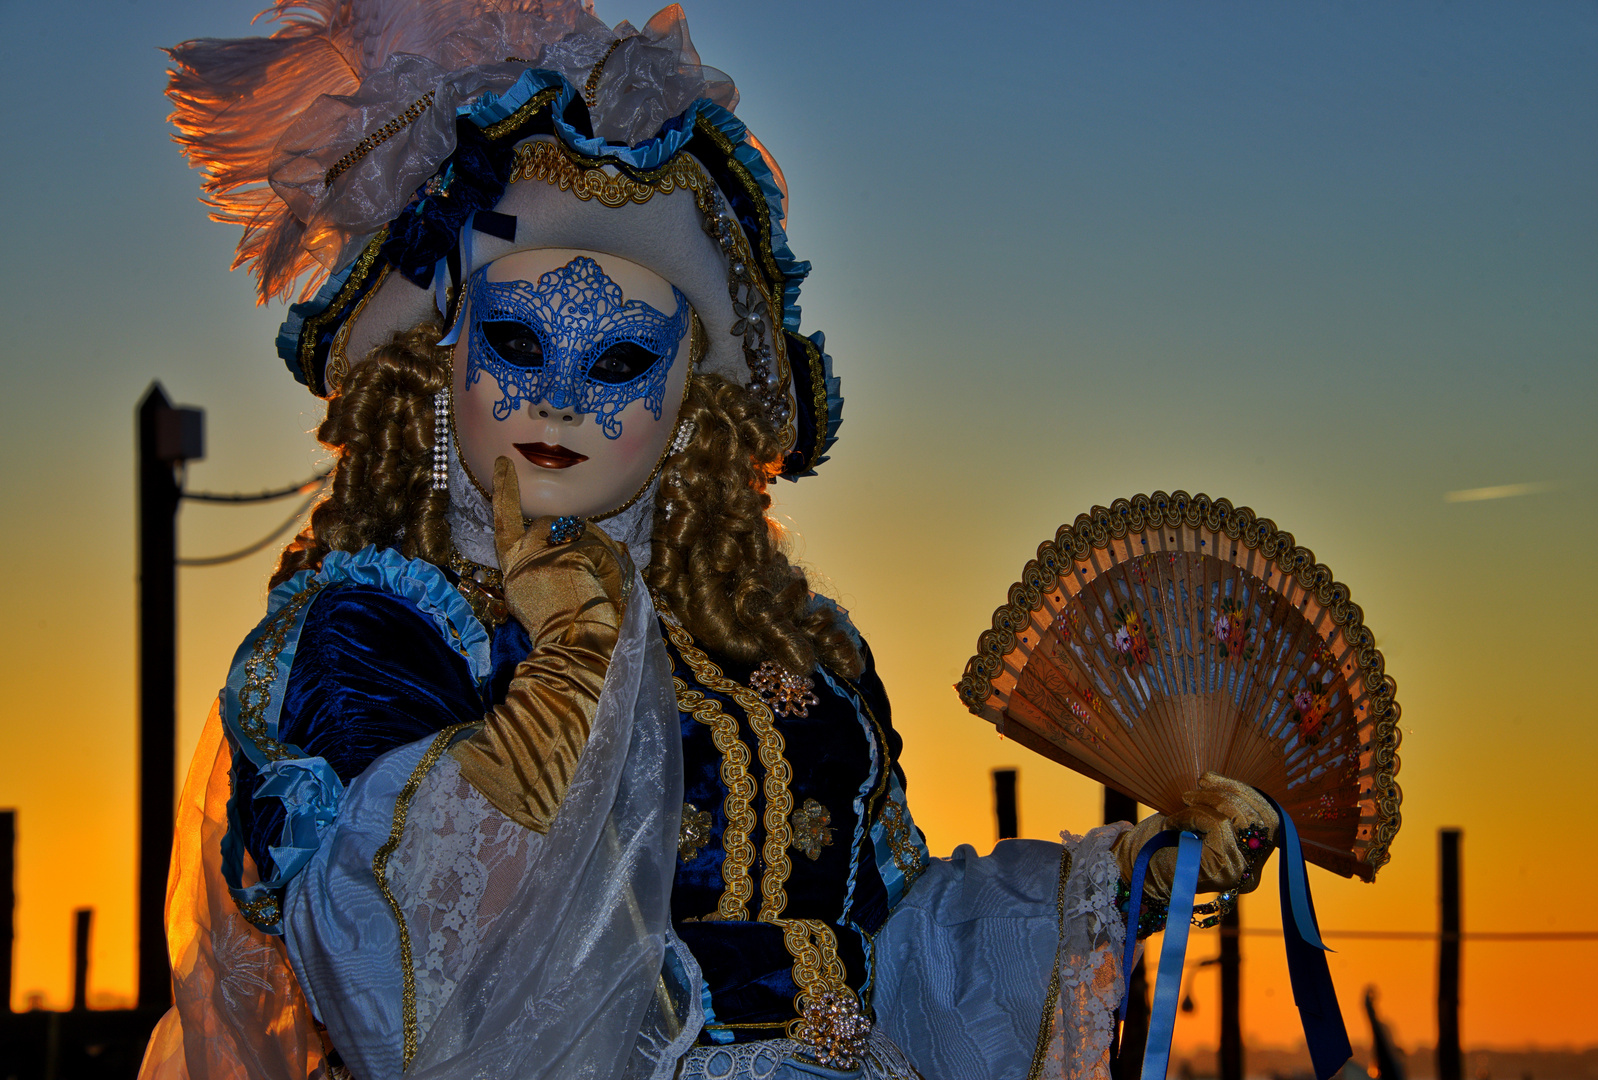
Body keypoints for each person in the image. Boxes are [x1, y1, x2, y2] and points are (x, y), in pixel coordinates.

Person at [143, 5, 1278, 1079]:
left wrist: (1117, 880)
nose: (560, 400)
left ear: (690, 407)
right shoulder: (378, 630)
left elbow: (885, 936)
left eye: (621, 362)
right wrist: (569, 671)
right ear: (437, 369)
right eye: (516, 344)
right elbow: (404, 979)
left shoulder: (789, 648)